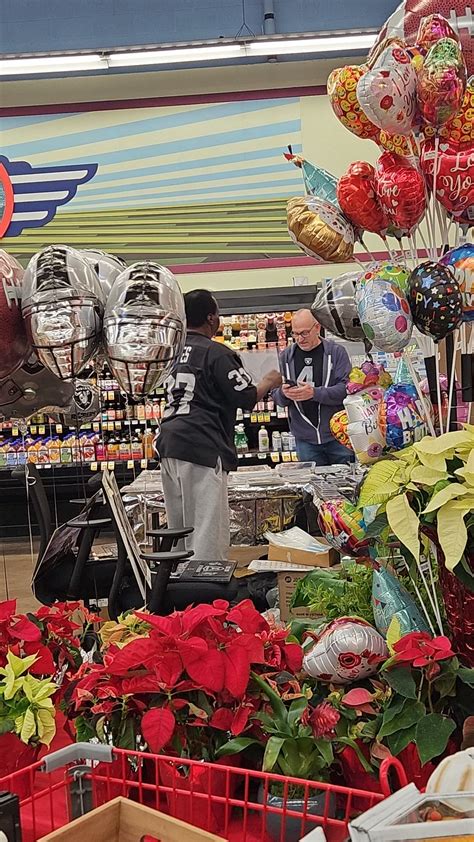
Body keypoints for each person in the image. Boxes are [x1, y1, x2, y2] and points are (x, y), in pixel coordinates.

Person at [156, 289, 282, 560]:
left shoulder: (172, 352)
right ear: (211, 318)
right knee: (206, 530)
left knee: (179, 528)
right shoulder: (216, 352)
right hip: (201, 444)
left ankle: (177, 579)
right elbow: (245, 398)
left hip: (168, 442)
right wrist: (269, 381)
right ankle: (206, 583)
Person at [272, 308, 353, 465]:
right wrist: (283, 393)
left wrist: (315, 393)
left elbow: (347, 389)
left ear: (317, 327)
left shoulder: (336, 352)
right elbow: (275, 396)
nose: (299, 339)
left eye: (304, 333)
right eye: (295, 334)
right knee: (311, 479)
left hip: (338, 435)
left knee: (346, 478)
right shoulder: (285, 357)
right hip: (305, 440)